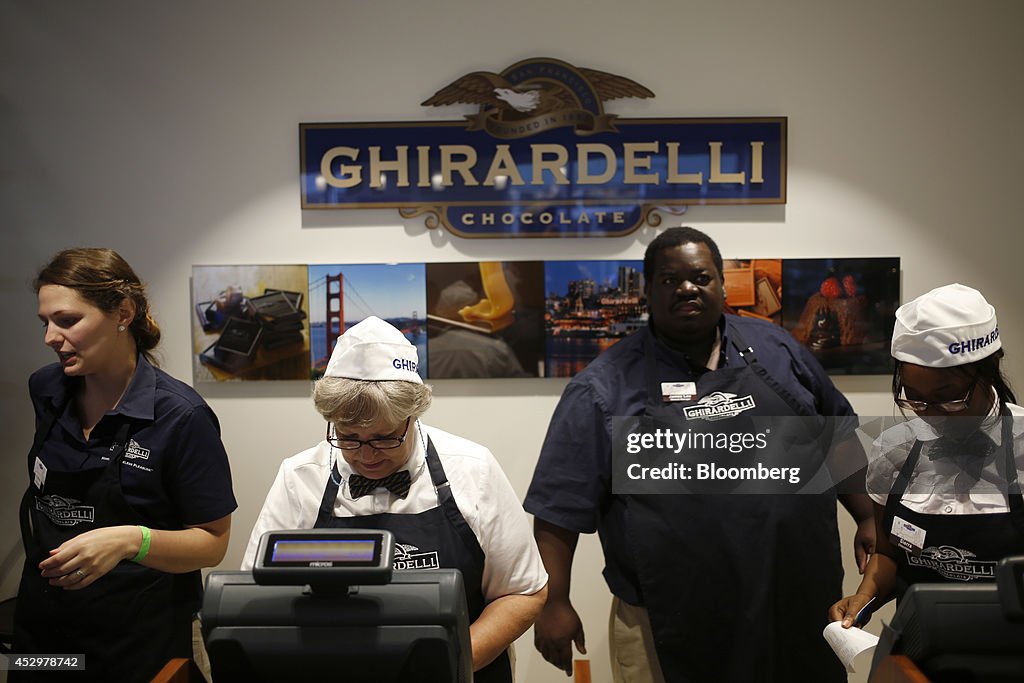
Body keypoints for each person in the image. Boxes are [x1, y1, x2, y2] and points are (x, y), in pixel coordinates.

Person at [525, 227, 875, 682]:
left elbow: (836, 435)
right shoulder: (601, 387)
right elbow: (559, 509)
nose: (687, 288)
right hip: (668, 618)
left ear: (722, 285)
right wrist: (555, 601)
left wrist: (867, 516)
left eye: (700, 277)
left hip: (792, 600)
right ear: (648, 291)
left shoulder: (778, 348)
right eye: (670, 280)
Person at [242, 316, 548, 683]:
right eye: (348, 437)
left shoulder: (472, 469)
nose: (366, 455)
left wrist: (448, 663)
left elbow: (523, 591)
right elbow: (257, 599)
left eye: (385, 437)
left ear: (412, 417)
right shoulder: (300, 478)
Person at [15, 248, 237, 682]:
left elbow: (212, 543)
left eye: (67, 320)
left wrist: (130, 540)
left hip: (138, 640)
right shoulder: (45, 388)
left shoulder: (181, 417)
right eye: (46, 323)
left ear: (123, 312)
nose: (50, 338)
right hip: (44, 631)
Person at [830, 283, 1023, 628]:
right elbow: (889, 554)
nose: (931, 416)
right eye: (915, 399)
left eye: (949, 398)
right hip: (920, 653)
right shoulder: (894, 450)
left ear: (990, 368)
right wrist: (865, 595)